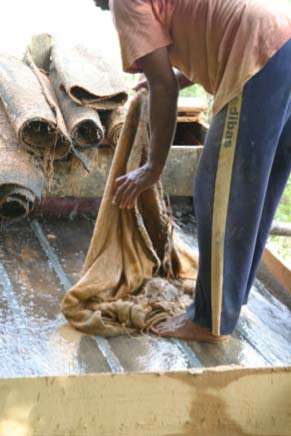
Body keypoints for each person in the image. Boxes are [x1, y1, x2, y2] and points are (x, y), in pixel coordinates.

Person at [93, 0, 291, 342]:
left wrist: (152, 168)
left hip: (258, 53)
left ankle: (209, 321)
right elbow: (203, 25)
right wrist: (175, 78)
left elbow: (162, 87)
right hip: (281, 40)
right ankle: (229, 299)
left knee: (217, 188)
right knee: (255, 182)